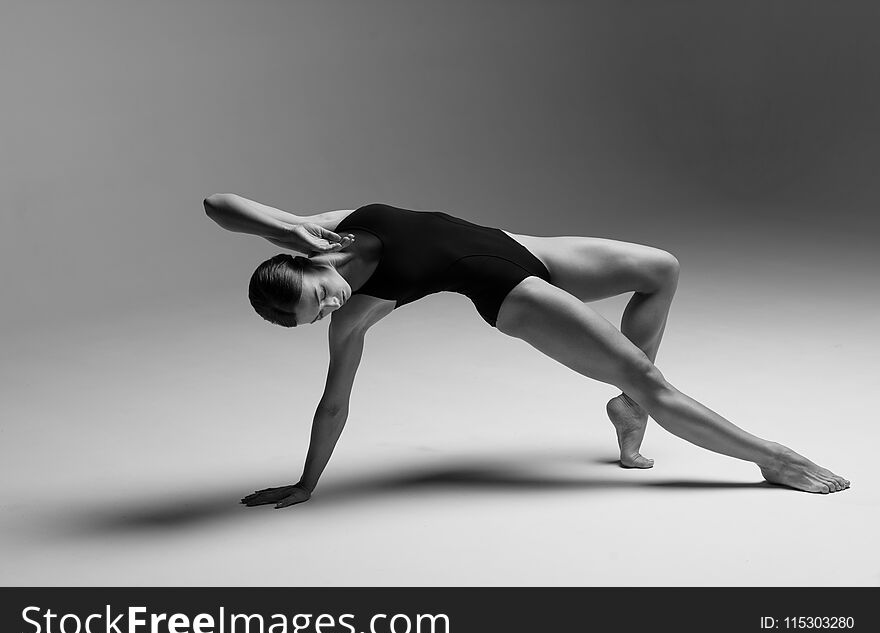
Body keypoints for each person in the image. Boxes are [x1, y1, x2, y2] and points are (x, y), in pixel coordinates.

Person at [203, 194, 850, 509]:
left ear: (306, 263)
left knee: (661, 268)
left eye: (322, 297)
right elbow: (333, 403)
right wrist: (307, 482)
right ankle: (771, 457)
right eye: (319, 317)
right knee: (650, 376)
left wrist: (282, 223)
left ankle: (626, 407)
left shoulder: (324, 227)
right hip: (510, 289)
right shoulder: (355, 318)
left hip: (525, 245)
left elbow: (217, 204)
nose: (334, 308)